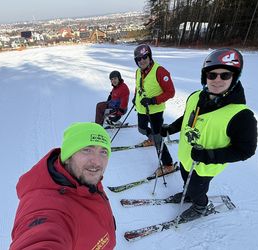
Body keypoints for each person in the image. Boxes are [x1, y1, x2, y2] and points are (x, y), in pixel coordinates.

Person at [160, 48, 258, 221]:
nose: (217, 80)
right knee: (186, 181)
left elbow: (245, 151)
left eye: (225, 75)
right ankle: (188, 194)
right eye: (211, 75)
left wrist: (209, 155)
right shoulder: (196, 97)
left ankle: (200, 206)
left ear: (235, 77)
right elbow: (189, 118)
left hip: (205, 166)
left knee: (198, 189)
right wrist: (171, 128)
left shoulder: (242, 116)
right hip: (186, 157)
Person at [10, 122, 116, 250]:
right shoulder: (47, 206)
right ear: (67, 157)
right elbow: (41, 237)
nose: (97, 161)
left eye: (103, 152)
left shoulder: (83, 178)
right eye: (87, 150)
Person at [132, 44, 176, 175]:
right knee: (141, 129)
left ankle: (168, 165)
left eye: (145, 57)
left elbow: (170, 92)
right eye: (139, 59)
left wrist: (153, 100)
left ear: (150, 56)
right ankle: (151, 139)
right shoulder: (138, 71)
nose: (142, 60)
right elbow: (137, 86)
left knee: (158, 138)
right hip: (142, 108)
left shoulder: (160, 71)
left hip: (155, 111)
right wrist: (135, 97)